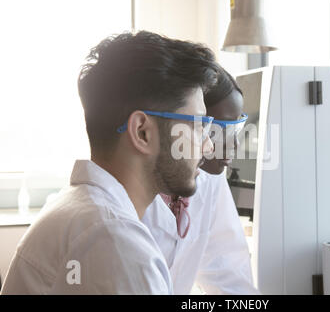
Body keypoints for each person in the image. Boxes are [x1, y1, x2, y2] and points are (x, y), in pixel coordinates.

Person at [0, 31, 218, 294]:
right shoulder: (116, 240)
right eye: (197, 126)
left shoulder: (84, 210)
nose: (208, 145)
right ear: (142, 132)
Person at [142, 67, 260, 294]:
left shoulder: (211, 181)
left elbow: (230, 276)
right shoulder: (134, 194)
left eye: (235, 129)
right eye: (218, 130)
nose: (233, 146)